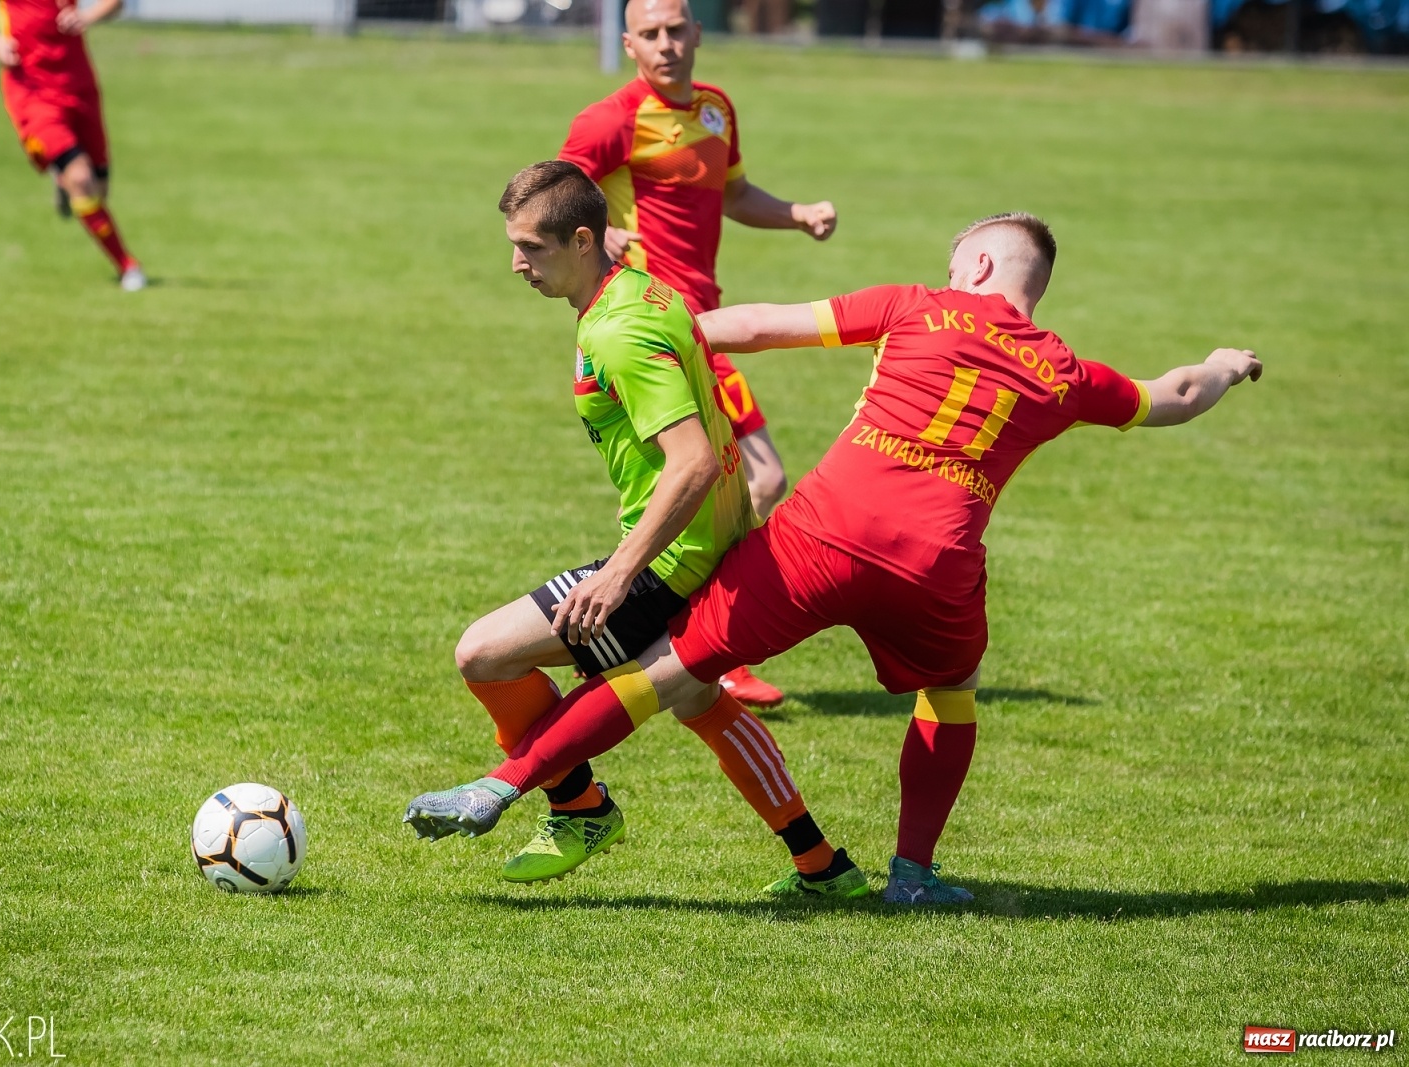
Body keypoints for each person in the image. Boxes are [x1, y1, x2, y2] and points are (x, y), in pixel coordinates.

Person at [403, 213, 1262, 902]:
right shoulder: (1067, 372)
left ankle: (504, 784)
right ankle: (913, 874)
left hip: (818, 537)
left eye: (958, 258)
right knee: (950, 696)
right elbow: (1175, 394)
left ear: (982, 269)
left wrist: (651, 329)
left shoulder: (917, 304)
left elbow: (763, 328)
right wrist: (1222, 364)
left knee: (668, 671)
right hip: (937, 567)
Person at [403, 161, 869, 897]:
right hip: (717, 544)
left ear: (583, 240)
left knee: (484, 653)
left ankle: (579, 807)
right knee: (698, 699)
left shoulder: (619, 331)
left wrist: (617, 573)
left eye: (532, 247)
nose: (516, 264)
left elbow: (687, 465)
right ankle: (822, 865)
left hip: (666, 563)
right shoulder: (642, 289)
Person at [558, 0, 839, 707]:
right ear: (627, 44)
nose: (666, 45)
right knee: (760, 477)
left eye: (677, 30)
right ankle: (710, 645)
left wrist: (796, 214)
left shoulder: (715, 109)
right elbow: (556, 197)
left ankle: (679, 639)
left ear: (698, 34)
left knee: (718, 487)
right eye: (650, 35)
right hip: (664, 327)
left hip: (703, 320)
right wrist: (602, 235)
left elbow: (735, 193)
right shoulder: (612, 118)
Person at [0, 0, 146, 290]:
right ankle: (128, 266)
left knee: (99, 190)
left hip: (78, 84)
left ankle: (64, 177)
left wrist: (87, 16)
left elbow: (116, 3)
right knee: (81, 179)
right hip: (30, 87)